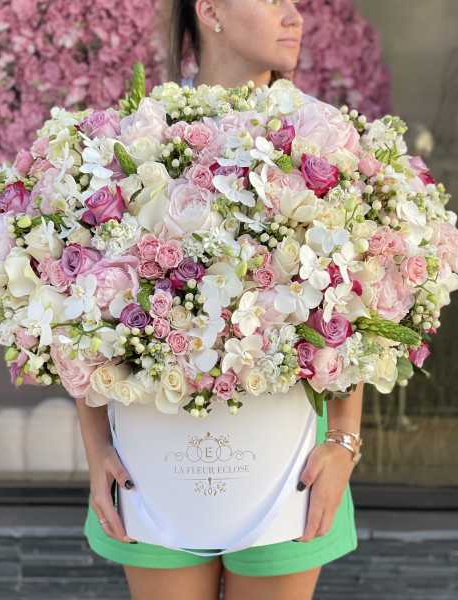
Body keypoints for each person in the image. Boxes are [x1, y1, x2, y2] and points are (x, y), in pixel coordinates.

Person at [77, 1, 364, 599]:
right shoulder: (137, 134)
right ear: (210, 9)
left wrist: (343, 440)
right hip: (152, 459)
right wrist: (96, 445)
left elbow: (354, 302)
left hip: (286, 460)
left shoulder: (322, 136)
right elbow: (79, 299)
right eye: (272, 0)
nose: (294, 16)